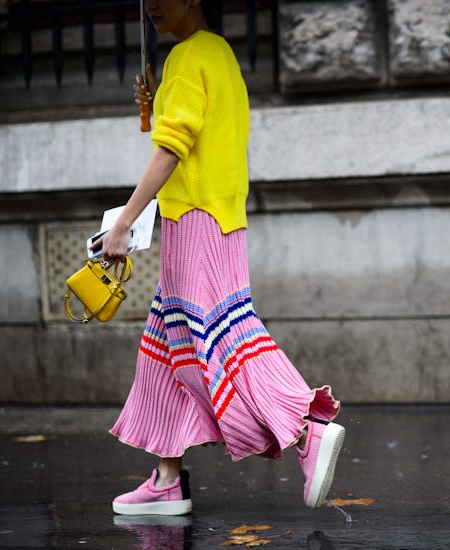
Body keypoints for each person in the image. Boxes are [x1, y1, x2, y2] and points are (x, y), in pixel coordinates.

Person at [96, 0, 344, 516]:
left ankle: (305, 430)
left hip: (196, 219)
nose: (153, 8)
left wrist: (123, 224)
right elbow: (192, 136)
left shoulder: (189, 56)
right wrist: (154, 103)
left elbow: (171, 150)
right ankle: (166, 478)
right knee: (168, 345)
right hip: (220, 215)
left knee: (222, 336)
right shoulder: (218, 53)